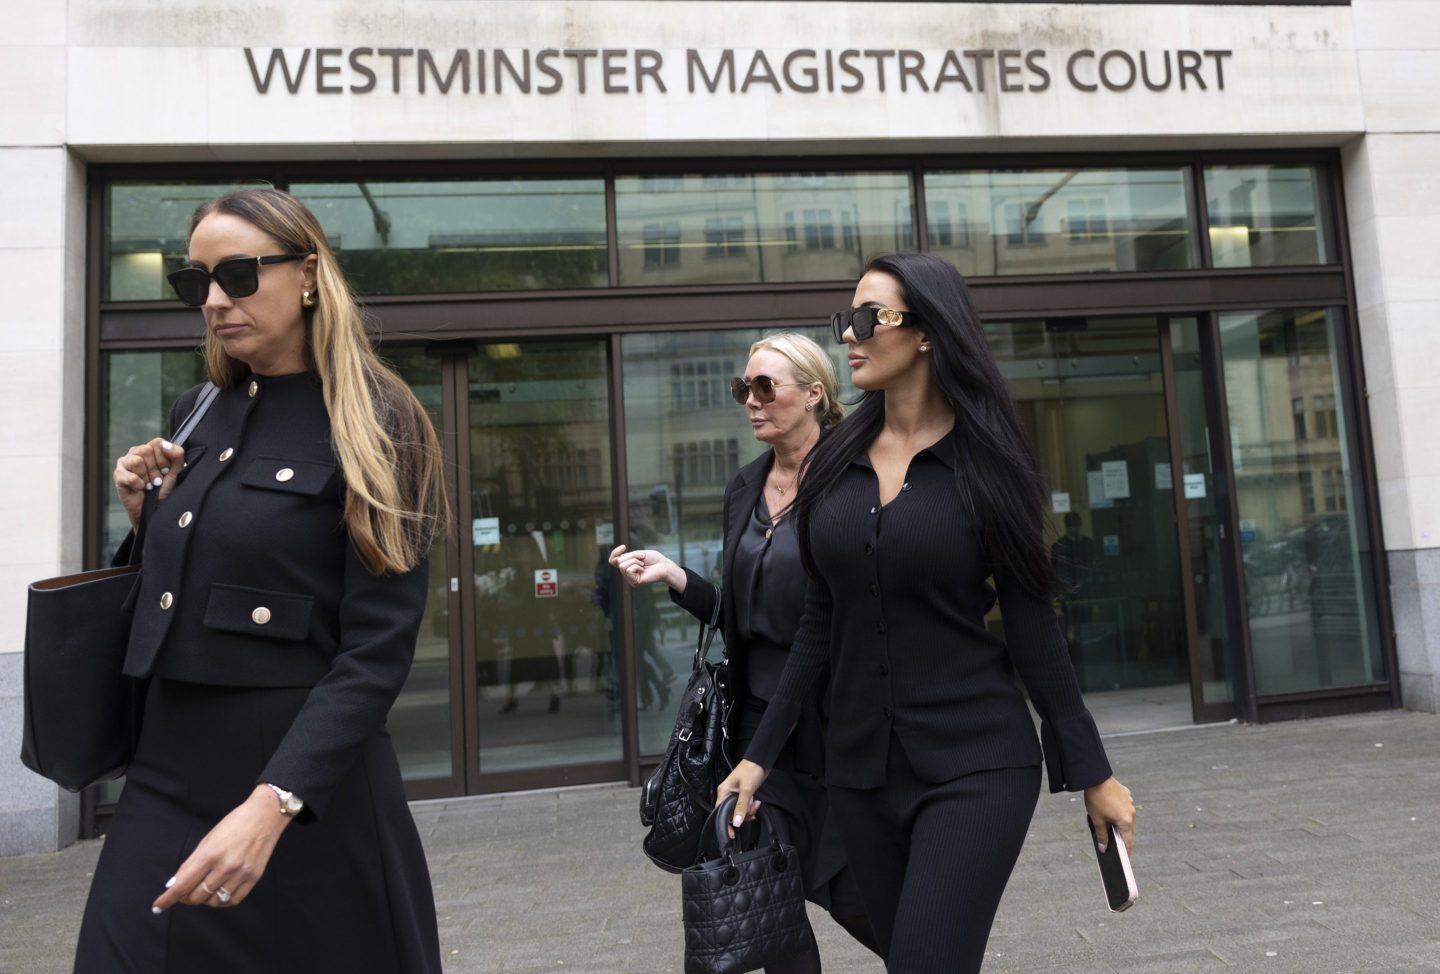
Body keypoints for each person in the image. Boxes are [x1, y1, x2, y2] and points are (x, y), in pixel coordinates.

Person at [716, 255, 1136, 973]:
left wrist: (1094, 773)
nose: (849, 334)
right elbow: (820, 622)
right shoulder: (836, 462)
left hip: (975, 760)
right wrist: (756, 761)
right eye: (844, 319)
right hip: (858, 772)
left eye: (867, 318)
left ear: (926, 335)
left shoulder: (988, 465)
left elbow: (1033, 628)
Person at [77, 188, 446, 973]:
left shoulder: (383, 419)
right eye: (196, 283)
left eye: (238, 275)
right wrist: (146, 520)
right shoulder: (195, 410)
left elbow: (376, 651)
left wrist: (274, 802)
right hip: (166, 771)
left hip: (307, 793)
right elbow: (181, 594)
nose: (214, 301)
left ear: (308, 274)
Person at [610, 333, 879, 972]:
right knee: (771, 899)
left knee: (855, 892)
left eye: (766, 387)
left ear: (815, 394)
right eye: (743, 389)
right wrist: (676, 577)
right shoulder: (745, 487)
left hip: (837, 723)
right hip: (760, 732)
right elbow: (740, 619)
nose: (750, 401)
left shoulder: (852, 479)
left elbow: (845, 617)